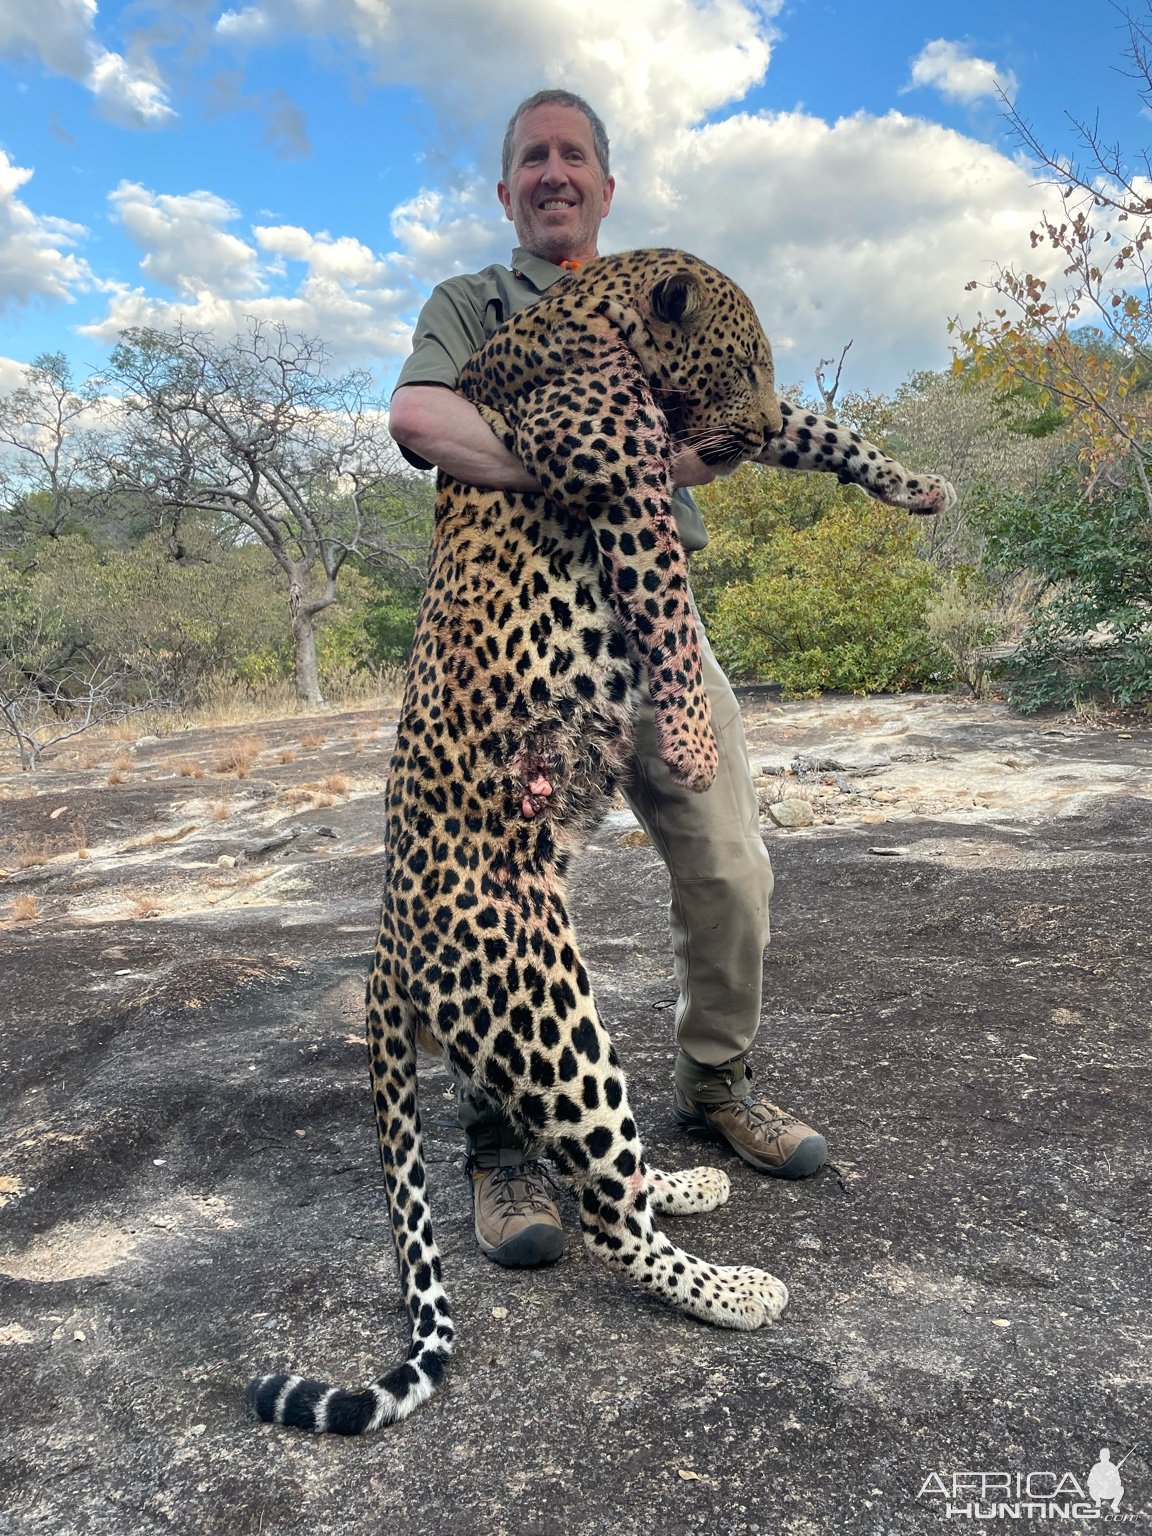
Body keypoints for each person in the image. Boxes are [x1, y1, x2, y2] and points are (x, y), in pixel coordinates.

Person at [388, 88, 828, 1270]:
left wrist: (660, 454)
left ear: (607, 184)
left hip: (660, 621)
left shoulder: (673, 300)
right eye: (530, 155)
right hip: (530, 640)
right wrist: (581, 464)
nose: (552, 173)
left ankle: (717, 1086)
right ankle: (506, 1145)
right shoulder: (472, 303)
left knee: (733, 864)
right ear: (504, 189)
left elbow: (715, 440)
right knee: (514, 888)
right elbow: (422, 415)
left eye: (573, 154)